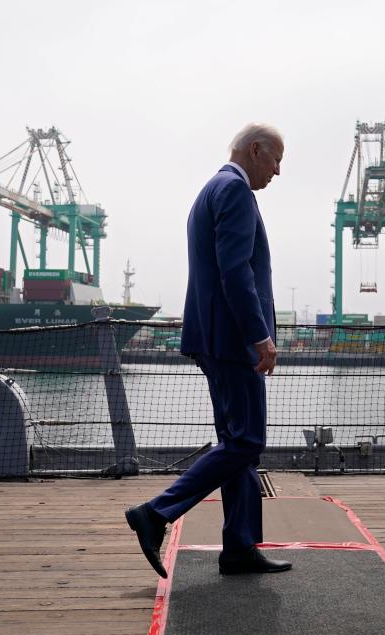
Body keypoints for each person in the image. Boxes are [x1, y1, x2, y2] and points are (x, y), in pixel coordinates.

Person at [125, 123, 290, 577]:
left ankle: (239, 548)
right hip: (235, 342)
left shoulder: (210, 190)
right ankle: (156, 513)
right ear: (256, 150)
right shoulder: (236, 191)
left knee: (236, 445)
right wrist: (260, 336)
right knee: (248, 441)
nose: (278, 172)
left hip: (212, 338)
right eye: (276, 160)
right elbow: (236, 273)